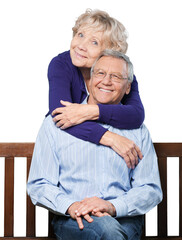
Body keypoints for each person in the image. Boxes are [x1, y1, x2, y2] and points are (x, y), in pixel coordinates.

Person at [27, 50, 162, 240]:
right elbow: (39, 184)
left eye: (115, 76)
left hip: (123, 217)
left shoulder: (137, 130)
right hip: (73, 218)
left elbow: (149, 188)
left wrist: (112, 206)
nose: (106, 81)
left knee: (111, 231)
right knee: (109, 232)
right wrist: (73, 206)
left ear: (128, 87)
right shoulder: (57, 123)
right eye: (100, 74)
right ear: (89, 81)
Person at [47, 9, 145, 169]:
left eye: (94, 42)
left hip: (107, 163)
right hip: (68, 152)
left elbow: (136, 115)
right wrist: (112, 139)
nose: (81, 46)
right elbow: (60, 115)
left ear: (109, 53)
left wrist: (90, 111)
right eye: (80, 35)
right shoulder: (60, 65)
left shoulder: (121, 74)